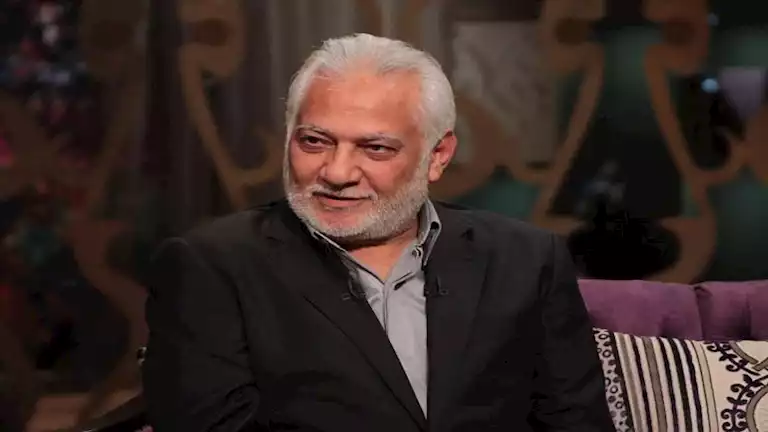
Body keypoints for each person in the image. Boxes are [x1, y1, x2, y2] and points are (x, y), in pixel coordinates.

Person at [143, 33, 612, 432]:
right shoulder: (211, 267)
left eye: (375, 148)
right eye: (314, 141)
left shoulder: (526, 259)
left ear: (438, 156)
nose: (337, 172)